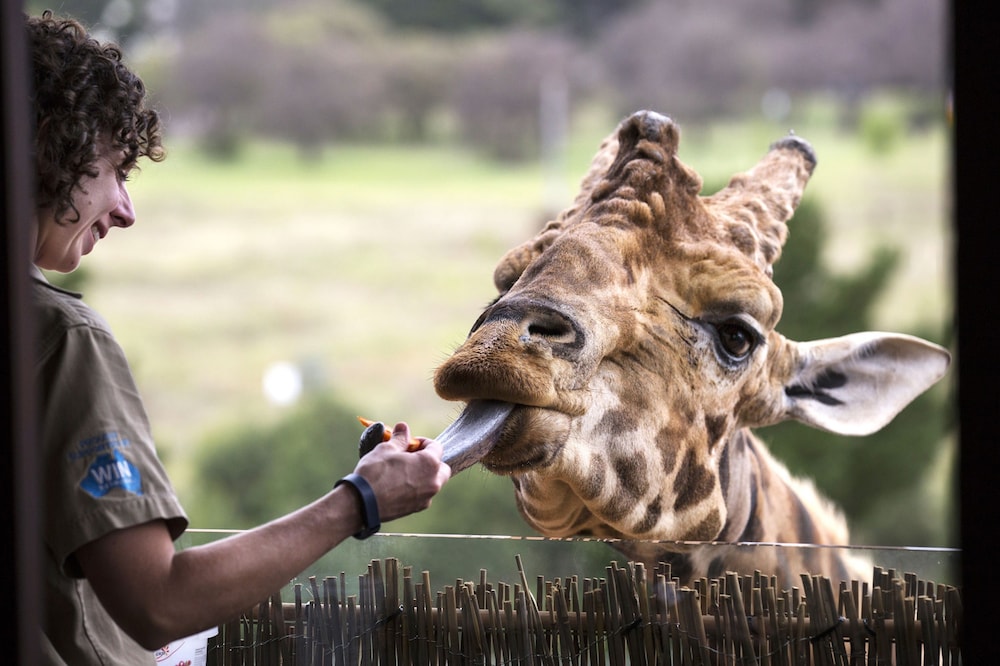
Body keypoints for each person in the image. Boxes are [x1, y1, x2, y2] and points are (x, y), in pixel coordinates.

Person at [26, 11, 451, 664]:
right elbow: (158, 603)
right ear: (54, 147)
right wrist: (362, 498)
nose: (126, 209)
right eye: (113, 168)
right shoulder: (59, 339)